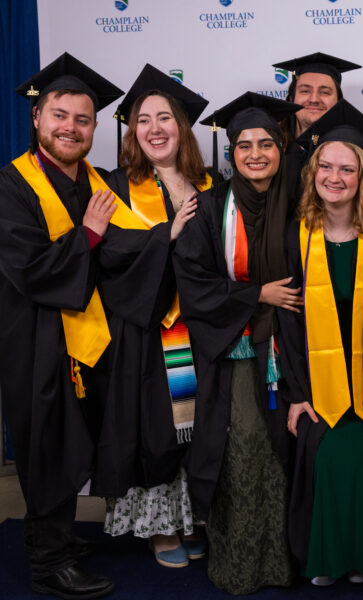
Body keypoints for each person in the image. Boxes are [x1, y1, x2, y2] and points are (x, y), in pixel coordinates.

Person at [0, 52, 137, 599]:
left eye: (83, 119)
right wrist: (88, 236)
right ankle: (47, 559)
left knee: (80, 439)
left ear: (95, 126)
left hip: (93, 339)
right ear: (38, 118)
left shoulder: (99, 182)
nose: (71, 128)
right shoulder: (12, 184)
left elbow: (127, 253)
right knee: (47, 444)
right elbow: (31, 268)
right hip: (36, 341)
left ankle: (57, 536)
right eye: (60, 115)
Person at [174, 92, 302, 594]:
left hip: (294, 345)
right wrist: (256, 295)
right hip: (238, 351)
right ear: (230, 154)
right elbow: (193, 280)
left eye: (266, 144)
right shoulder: (208, 208)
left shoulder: (299, 200)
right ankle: (241, 565)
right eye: (244, 145)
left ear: (280, 147)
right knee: (245, 447)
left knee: (288, 453)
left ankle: (283, 562)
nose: (256, 154)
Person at [94, 64, 216, 568]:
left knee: (200, 429)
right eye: (143, 120)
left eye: (165, 118)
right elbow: (106, 256)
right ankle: (161, 527)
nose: (154, 128)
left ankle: (193, 520)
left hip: (202, 332)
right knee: (156, 432)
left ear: (182, 128)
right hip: (146, 334)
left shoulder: (210, 186)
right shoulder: (115, 187)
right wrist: (160, 237)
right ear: (132, 131)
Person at [276, 100, 363, 587]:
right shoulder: (295, 237)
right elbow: (286, 323)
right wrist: (296, 394)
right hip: (317, 388)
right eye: (325, 166)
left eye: (346, 169)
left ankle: (361, 557)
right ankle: (329, 559)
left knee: (361, 454)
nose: (334, 177)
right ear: (311, 174)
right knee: (325, 456)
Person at [271, 52, 361, 209]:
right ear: (291, 99)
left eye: (324, 92)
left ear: (338, 102)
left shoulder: (352, 154)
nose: (314, 99)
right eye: (305, 90)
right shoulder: (271, 151)